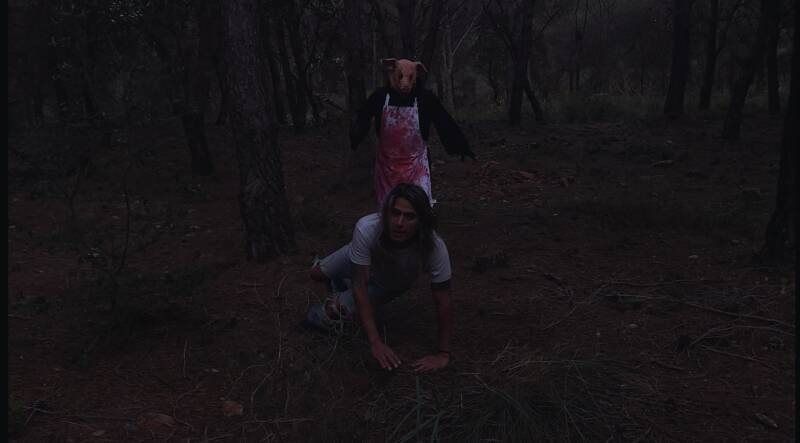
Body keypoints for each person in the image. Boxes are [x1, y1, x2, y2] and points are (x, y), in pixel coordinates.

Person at [304, 183, 453, 372]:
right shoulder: (367, 228)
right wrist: (375, 342)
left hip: (387, 283)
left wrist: (443, 354)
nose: (399, 223)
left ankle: (340, 294)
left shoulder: (435, 248)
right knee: (316, 274)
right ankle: (338, 281)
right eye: (395, 213)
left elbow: (443, 301)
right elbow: (359, 284)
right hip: (359, 259)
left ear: (421, 220)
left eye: (409, 217)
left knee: (325, 315)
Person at [351, 58, 474, 207]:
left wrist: (460, 146)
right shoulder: (380, 97)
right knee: (389, 207)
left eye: (410, 78)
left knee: (418, 206)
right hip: (387, 167)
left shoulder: (425, 98)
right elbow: (363, 117)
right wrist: (355, 136)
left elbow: (444, 122)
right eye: (400, 76)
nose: (405, 83)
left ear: (416, 75)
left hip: (416, 166)